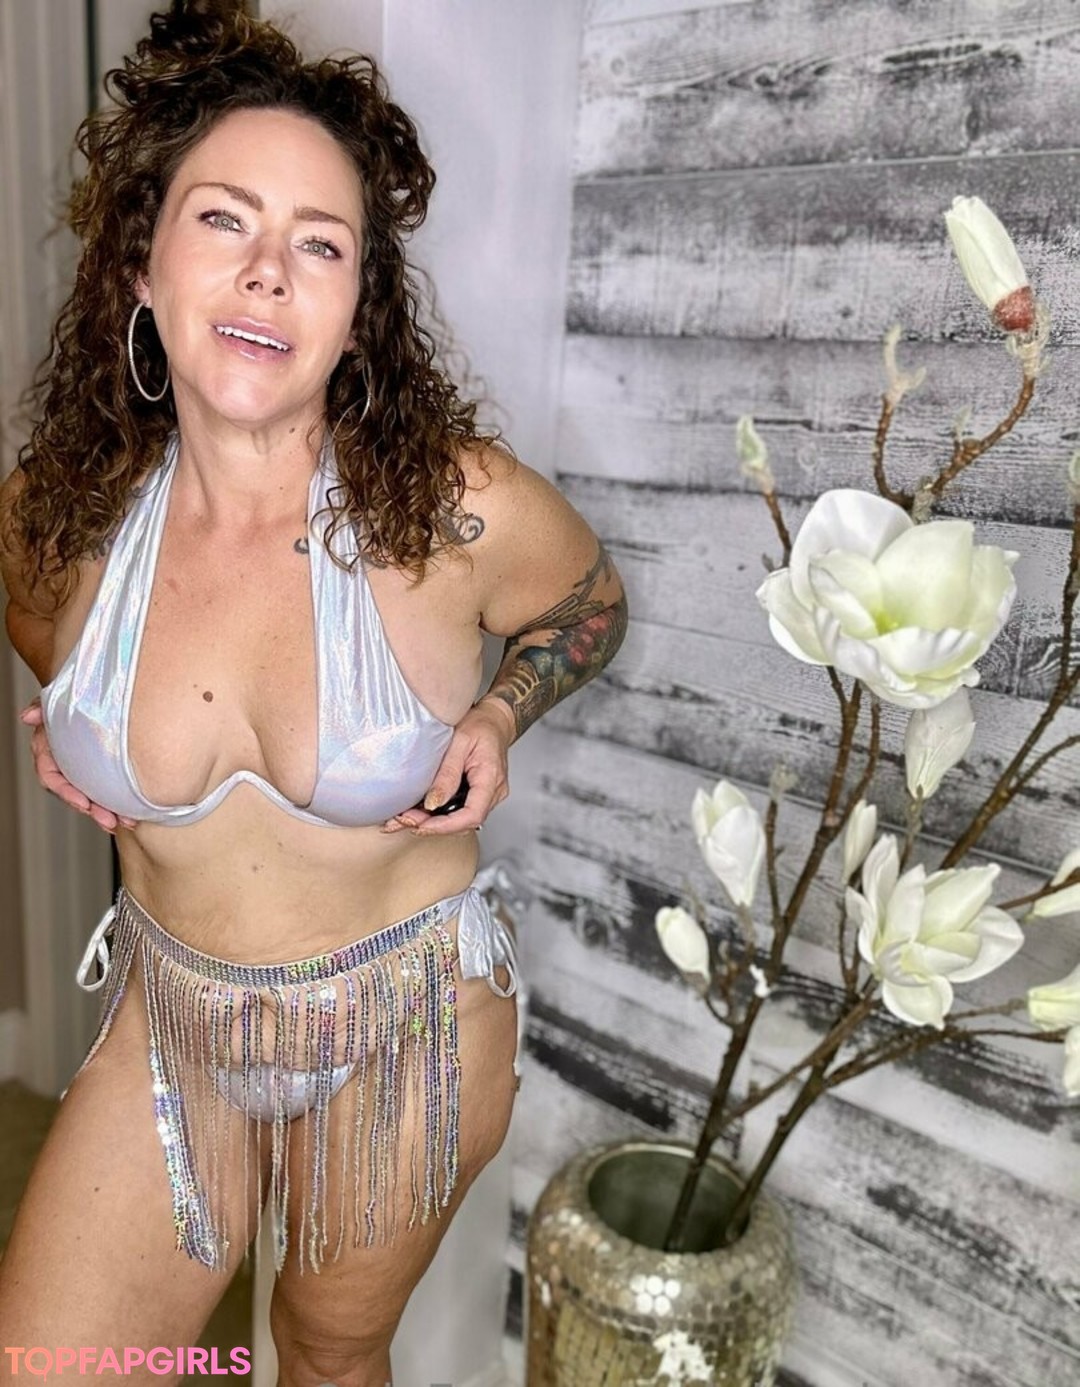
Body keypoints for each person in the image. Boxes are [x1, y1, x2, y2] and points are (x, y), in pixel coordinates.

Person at [0, 2, 627, 1379]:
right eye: (224, 219)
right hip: (175, 1024)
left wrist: (501, 711)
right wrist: (80, 725)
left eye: (321, 244)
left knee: (322, 1351)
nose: (269, 272)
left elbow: (589, 606)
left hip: (409, 1025)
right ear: (144, 263)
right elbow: (50, 647)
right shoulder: (55, 516)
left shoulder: (453, 508)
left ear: (356, 313)